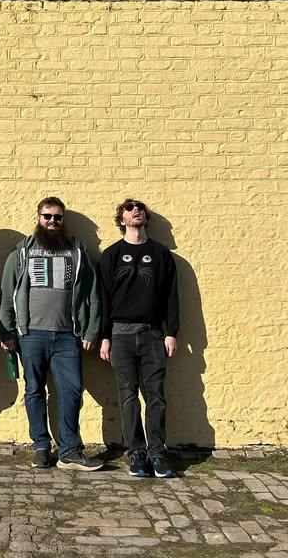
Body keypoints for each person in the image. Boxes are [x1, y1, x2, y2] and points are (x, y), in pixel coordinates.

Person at [0, 197, 103, 471]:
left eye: (57, 217)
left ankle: (69, 451)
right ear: (38, 218)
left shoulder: (76, 252)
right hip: (31, 336)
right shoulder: (21, 253)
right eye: (47, 216)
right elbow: (7, 296)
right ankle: (42, 447)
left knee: (71, 391)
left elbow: (93, 294)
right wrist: (6, 331)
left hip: (68, 336)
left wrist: (92, 329)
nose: (52, 222)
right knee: (34, 390)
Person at [99, 198, 179, 478]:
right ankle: (136, 453)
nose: (136, 211)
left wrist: (171, 332)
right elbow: (104, 299)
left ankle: (157, 453)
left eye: (139, 208)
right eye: (129, 208)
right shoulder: (111, 255)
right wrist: (105, 337)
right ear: (121, 219)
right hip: (120, 334)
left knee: (156, 396)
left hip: (153, 334)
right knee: (128, 397)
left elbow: (171, 296)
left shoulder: (161, 254)